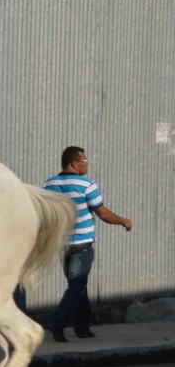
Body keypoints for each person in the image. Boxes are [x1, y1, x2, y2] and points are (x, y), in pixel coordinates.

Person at [42, 146, 132, 342]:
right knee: (77, 285)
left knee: (77, 285)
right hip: (81, 244)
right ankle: (58, 322)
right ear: (74, 163)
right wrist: (123, 221)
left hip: (61, 244)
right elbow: (103, 214)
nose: (87, 164)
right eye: (85, 160)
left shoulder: (49, 184)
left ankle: (82, 328)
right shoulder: (86, 185)